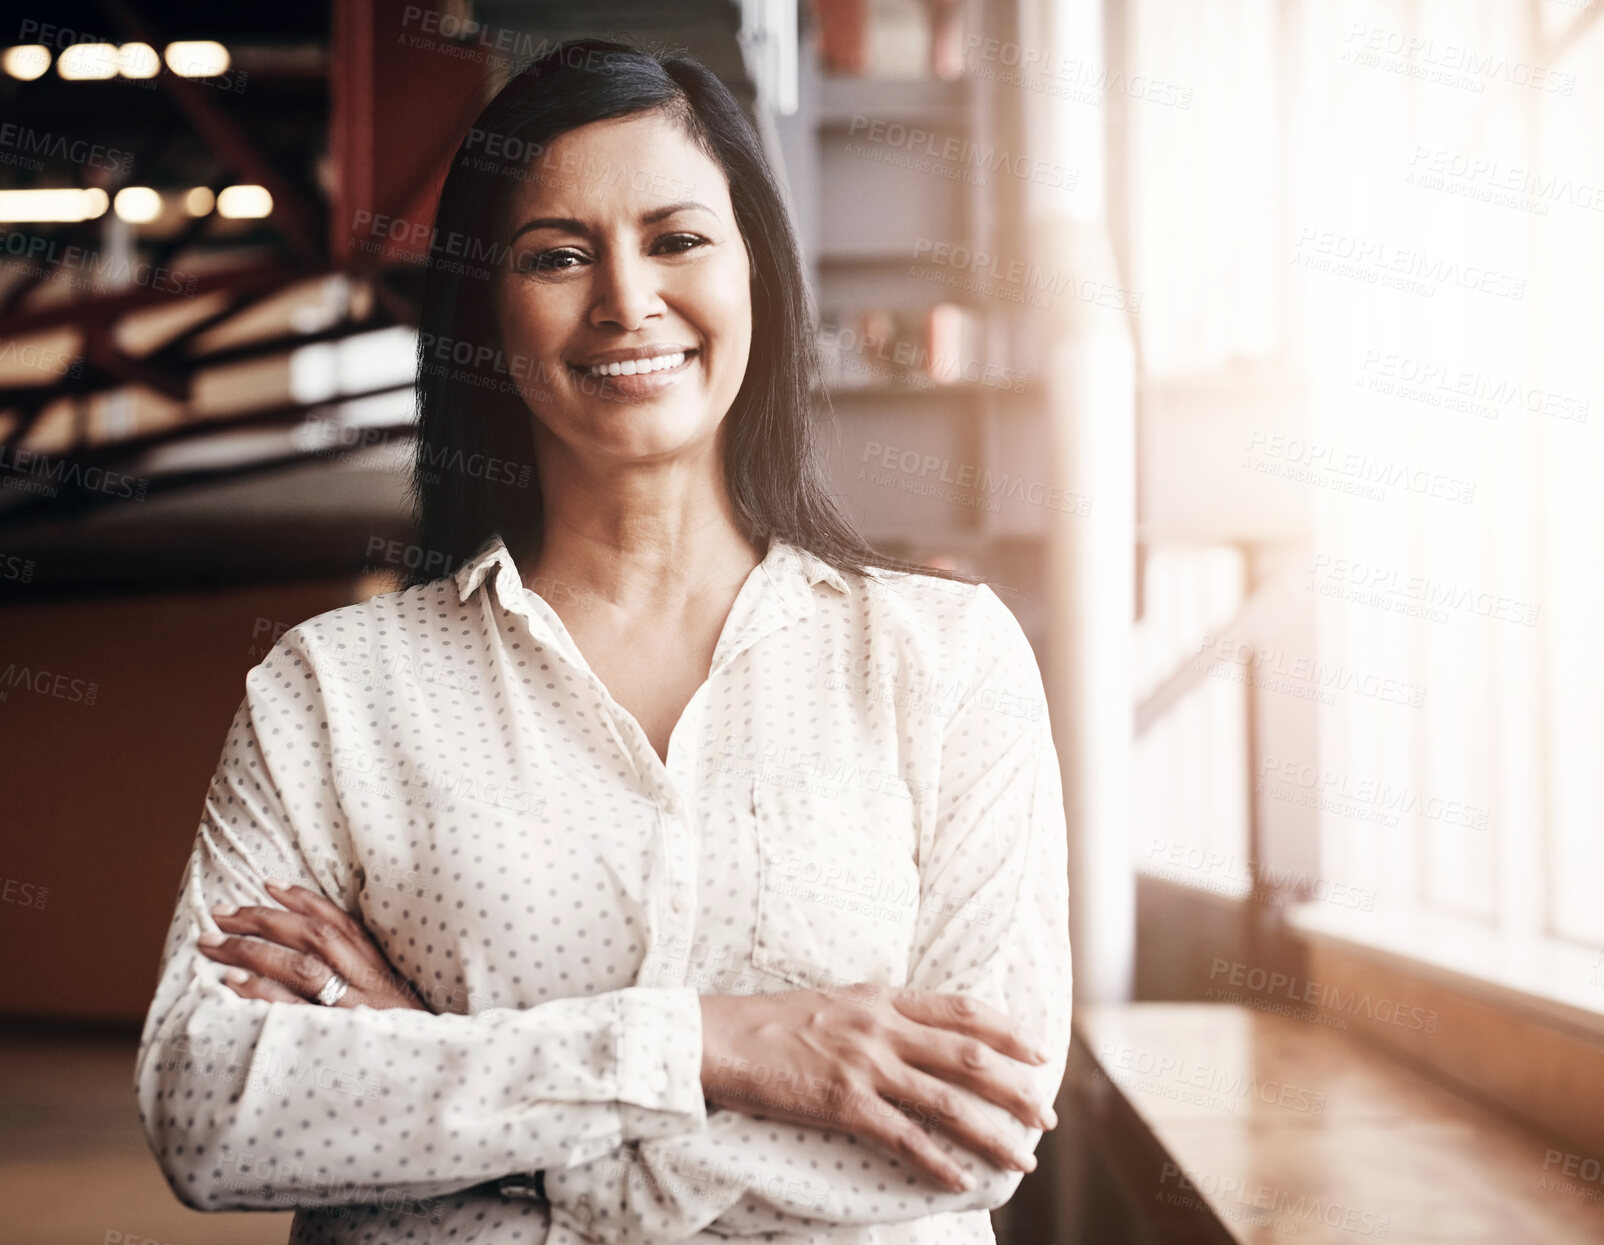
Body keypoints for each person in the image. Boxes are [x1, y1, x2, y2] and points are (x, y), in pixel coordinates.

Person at [135, 38, 1072, 1245]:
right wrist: (713, 1046)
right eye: (558, 255)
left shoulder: (942, 662)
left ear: (756, 279)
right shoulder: (337, 693)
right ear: (487, 308)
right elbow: (208, 1109)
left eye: (676, 240)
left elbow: (968, 1132)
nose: (626, 299)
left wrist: (441, 1077)